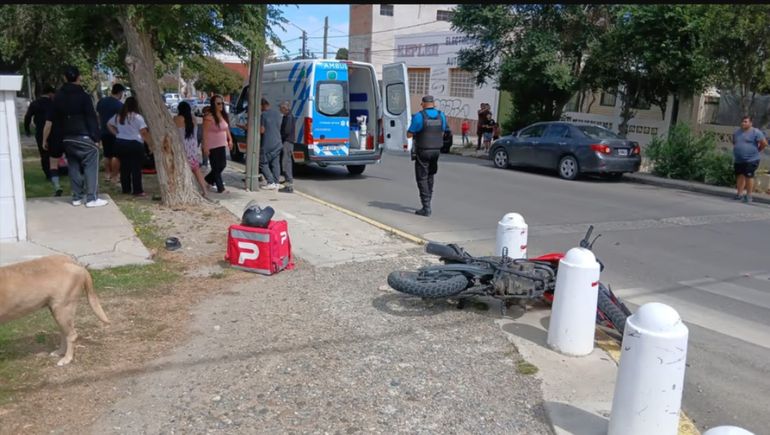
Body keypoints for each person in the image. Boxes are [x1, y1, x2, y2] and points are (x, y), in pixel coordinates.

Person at [42, 65, 107, 208]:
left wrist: (44, 139)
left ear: (65, 78)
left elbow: (49, 121)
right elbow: (91, 117)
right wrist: (96, 137)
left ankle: (77, 197)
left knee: (73, 165)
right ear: (79, 77)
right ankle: (91, 198)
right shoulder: (83, 96)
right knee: (91, 161)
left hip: (66, 137)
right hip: (83, 135)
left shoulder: (58, 97)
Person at [406, 95, 449, 217]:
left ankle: (426, 207)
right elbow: (443, 130)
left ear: (423, 104)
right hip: (436, 151)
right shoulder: (441, 115)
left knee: (422, 178)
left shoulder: (419, 116)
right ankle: (428, 202)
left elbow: (409, 134)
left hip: (423, 151)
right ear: (434, 103)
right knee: (430, 176)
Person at [107, 97, 152, 196]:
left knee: (124, 167)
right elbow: (143, 132)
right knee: (136, 168)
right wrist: (149, 144)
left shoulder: (119, 116)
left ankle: (126, 188)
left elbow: (109, 124)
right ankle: (137, 190)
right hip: (135, 143)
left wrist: (116, 134)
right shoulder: (137, 117)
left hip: (120, 142)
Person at [174, 101, 208, 198]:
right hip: (192, 148)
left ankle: (182, 190)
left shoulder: (177, 119)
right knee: (196, 169)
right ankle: (205, 190)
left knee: (181, 170)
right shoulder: (193, 119)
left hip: (182, 147)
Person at [732, 115, 767, 204]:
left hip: (752, 159)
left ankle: (748, 196)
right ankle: (739, 194)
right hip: (739, 159)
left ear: (751, 123)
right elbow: (735, 142)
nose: (743, 123)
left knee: (749, 176)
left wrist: (757, 150)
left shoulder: (756, 132)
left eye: (745, 121)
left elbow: (764, 143)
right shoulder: (737, 132)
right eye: (742, 121)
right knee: (740, 175)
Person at [24, 84, 56, 182]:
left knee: (44, 153)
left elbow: (28, 117)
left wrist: (27, 129)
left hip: (40, 131)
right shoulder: (53, 103)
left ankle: (48, 173)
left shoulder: (35, 103)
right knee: (54, 152)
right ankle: (55, 171)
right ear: (50, 93)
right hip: (53, 130)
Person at [202, 95, 233, 194]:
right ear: (213, 104)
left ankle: (207, 180)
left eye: (222, 103)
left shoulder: (223, 115)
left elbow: (226, 128)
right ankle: (221, 188)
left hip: (222, 144)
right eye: (218, 103)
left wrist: (230, 140)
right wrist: (205, 146)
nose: (221, 105)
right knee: (215, 167)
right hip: (212, 145)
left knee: (222, 165)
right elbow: (204, 132)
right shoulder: (209, 117)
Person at [96, 83, 125, 183]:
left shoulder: (101, 102)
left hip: (103, 131)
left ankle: (107, 174)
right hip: (115, 132)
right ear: (120, 92)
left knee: (106, 154)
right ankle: (115, 175)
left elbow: (98, 116)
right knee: (115, 155)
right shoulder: (119, 105)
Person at [259, 98, 283, 190]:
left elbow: (262, 130)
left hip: (268, 143)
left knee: (263, 162)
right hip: (278, 142)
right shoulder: (278, 114)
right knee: (275, 163)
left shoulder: (263, 115)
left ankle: (270, 181)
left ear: (262, 105)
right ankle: (276, 182)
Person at [279, 100, 295, 193]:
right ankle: (287, 181)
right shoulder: (288, 116)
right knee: (286, 161)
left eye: (281, 109)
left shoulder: (288, 117)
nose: (280, 110)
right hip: (287, 141)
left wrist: (281, 136)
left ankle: (289, 184)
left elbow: (287, 131)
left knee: (286, 162)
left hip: (287, 141)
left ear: (285, 108)